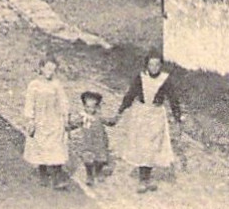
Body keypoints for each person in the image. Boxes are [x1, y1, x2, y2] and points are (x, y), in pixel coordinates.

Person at [114, 51, 182, 193]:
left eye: (157, 64)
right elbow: (130, 94)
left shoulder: (165, 79)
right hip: (142, 114)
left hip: (156, 115)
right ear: (147, 65)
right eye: (151, 64)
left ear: (161, 66)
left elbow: (173, 99)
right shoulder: (141, 77)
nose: (154, 67)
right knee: (143, 145)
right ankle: (142, 179)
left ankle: (148, 176)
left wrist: (177, 117)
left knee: (153, 146)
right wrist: (120, 110)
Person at [22, 56, 72, 190]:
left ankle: (57, 178)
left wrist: (65, 117)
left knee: (57, 146)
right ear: (41, 68)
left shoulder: (56, 85)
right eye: (48, 68)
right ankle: (42, 172)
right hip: (40, 120)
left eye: (53, 69)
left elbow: (63, 101)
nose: (50, 72)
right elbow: (29, 103)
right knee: (40, 146)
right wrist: (30, 119)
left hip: (54, 119)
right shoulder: (34, 85)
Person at [69, 90, 114, 186]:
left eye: (93, 107)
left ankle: (98, 171)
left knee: (100, 159)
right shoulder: (82, 117)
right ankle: (89, 175)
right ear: (84, 106)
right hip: (87, 142)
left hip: (99, 142)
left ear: (97, 107)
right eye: (87, 107)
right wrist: (69, 125)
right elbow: (75, 124)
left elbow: (108, 122)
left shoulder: (99, 116)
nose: (90, 109)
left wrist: (113, 120)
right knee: (88, 159)